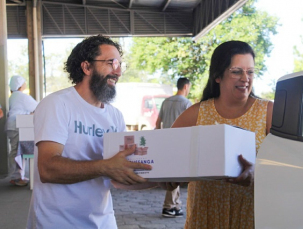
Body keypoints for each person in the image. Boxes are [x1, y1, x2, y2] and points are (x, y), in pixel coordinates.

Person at [26, 35, 152, 229]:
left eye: (119, 64)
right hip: (56, 223)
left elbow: (119, 178)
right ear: (86, 67)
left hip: (103, 222)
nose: (117, 71)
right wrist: (104, 166)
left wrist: (160, 181)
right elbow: (47, 169)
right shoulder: (57, 104)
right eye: (111, 63)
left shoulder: (115, 116)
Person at [161, 41, 273, 228]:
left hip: (251, 216)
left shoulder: (269, 112)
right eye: (237, 71)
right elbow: (165, 165)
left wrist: (257, 173)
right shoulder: (196, 114)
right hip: (205, 216)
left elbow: (290, 168)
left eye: (250, 71)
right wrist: (170, 178)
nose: (246, 78)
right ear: (218, 76)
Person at [156, 77, 192, 218]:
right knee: (174, 175)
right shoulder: (187, 103)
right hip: (180, 143)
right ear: (186, 86)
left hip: (166, 141)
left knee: (173, 174)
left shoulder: (166, 102)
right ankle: (168, 207)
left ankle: (176, 205)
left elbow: (158, 123)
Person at [6, 75, 38, 186]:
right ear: (20, 85)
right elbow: (37, 106)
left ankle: (17, 176)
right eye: (24, 82)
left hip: (12, 125)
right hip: (18, 125)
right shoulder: (21, 96)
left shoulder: (13, 96)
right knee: (17, 152)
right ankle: (17, 178)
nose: (25, 84)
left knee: (15, 151)